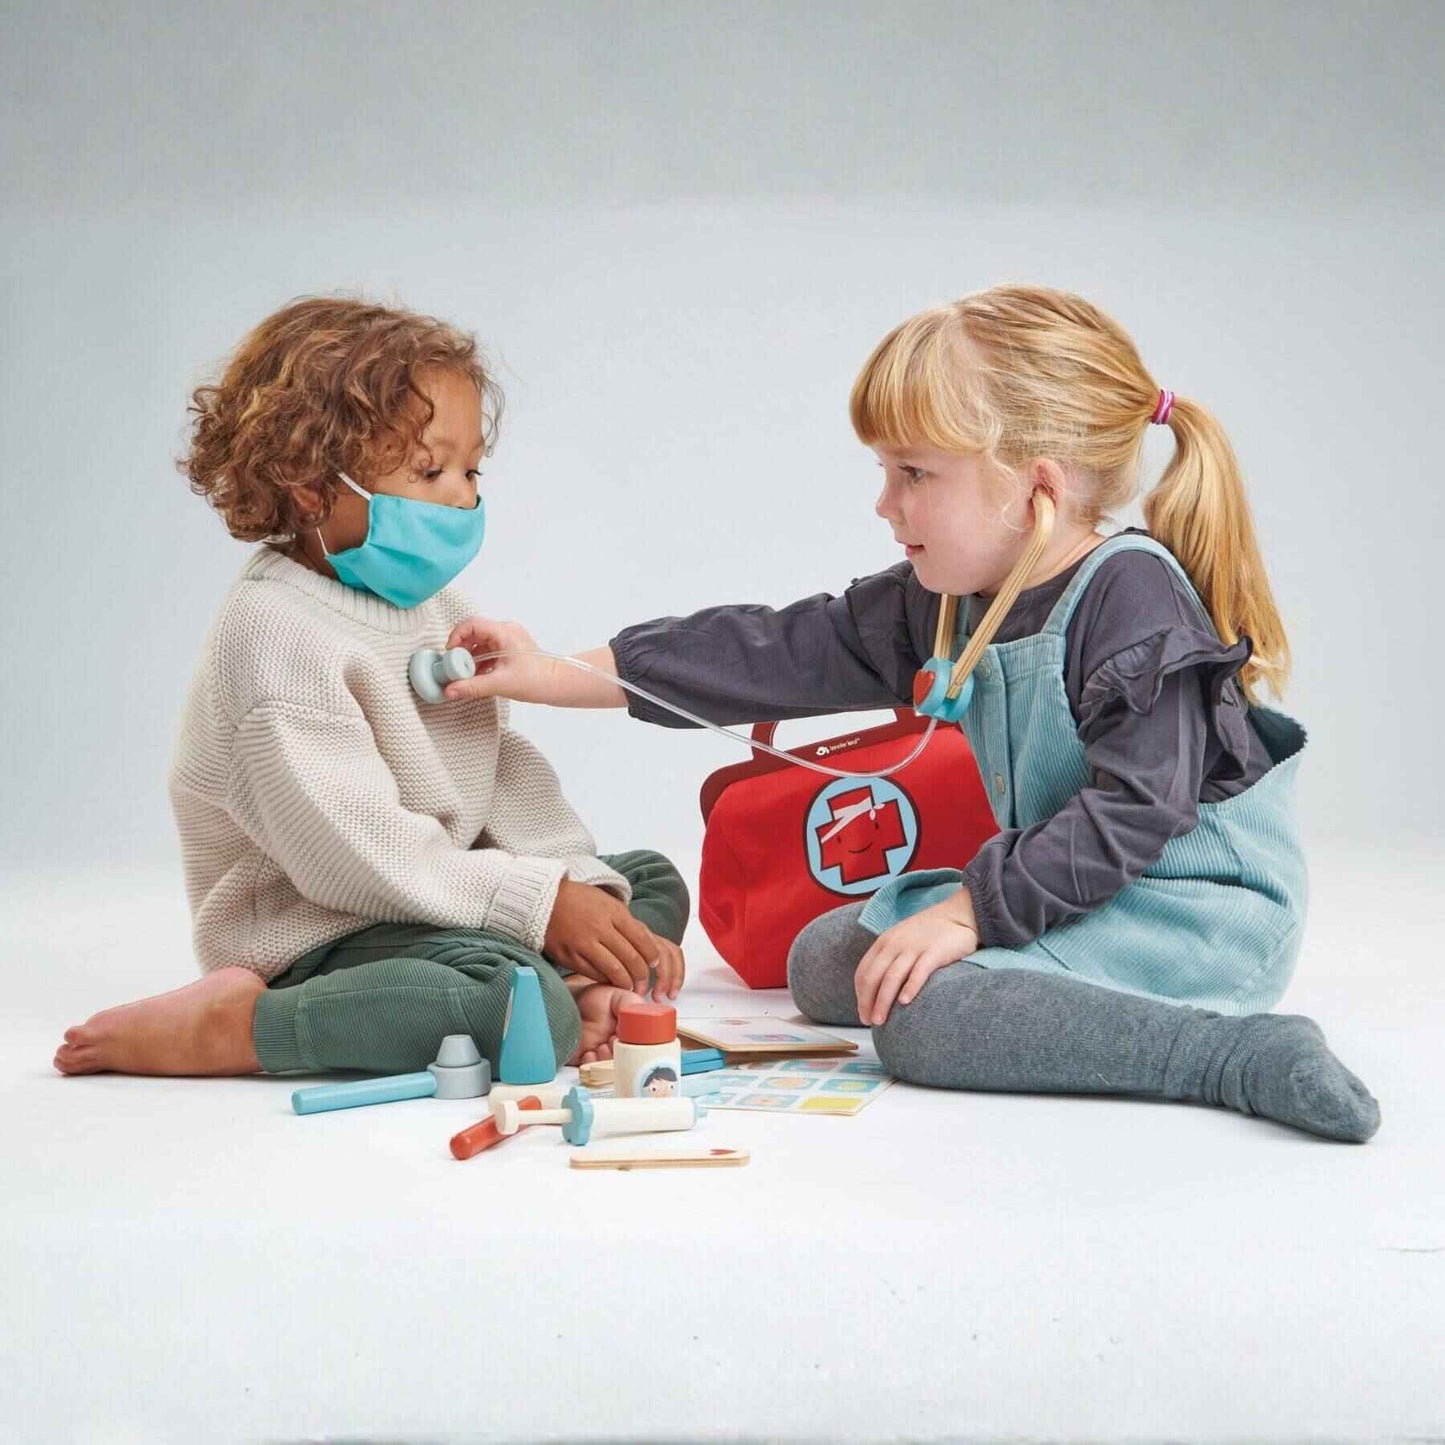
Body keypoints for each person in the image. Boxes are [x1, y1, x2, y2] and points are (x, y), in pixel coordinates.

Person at [439, 285, 1379, 1143]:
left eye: (914, 473)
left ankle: (1231, 1055)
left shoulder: (1132, 601)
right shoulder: (953, 594)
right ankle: (1016, 972)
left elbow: (1135, 813)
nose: (885, 503)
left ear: (1034, 489)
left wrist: (970, 911)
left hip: (1187, 916)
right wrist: (548, 669)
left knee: (915, 1020)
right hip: (1072, 884)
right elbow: (769, 651)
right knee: (824, 963)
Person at [54, 296, 687, 1081]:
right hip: (322, 928)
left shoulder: (438, 611)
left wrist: (570, 883)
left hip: (432, 896)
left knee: (646, 881)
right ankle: (245, 1027)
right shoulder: (276, 635)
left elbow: (503, 778)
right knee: (511, 999)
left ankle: (571, 979)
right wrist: (538, 906)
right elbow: (353, 859)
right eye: (431, 470)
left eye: (470, 468)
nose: (463, 495)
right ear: (310, 482)